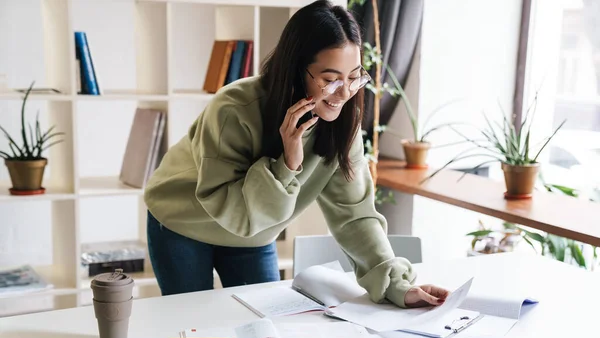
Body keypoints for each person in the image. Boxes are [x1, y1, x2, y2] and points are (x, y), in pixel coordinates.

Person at [143, 0, 449, 308]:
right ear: (295, 70)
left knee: (267, 327)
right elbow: (235, 213)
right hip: (183, 224)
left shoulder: (342, 124)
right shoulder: (234, 109)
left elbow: (355, 215)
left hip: (256, 232)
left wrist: (396, 285)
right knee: (193, 330)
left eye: (354, 76)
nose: (345, 93)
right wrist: (287, 163)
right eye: (330, 80)